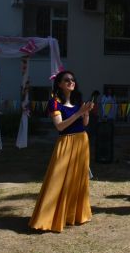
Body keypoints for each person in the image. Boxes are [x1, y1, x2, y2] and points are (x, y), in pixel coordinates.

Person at [29, 71, 94, 232]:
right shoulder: (54, 103)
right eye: (67, 80)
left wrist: (86, 113)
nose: (71, 82)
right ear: (59, 84)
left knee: (77, 179)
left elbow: (84, 124)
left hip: (81, 141)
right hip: (66, 142)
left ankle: (73, 215)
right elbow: (60, 126)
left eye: (73, 79)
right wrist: (79, 113)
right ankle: (48, 218)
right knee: (57, 179)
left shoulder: (78, 101)